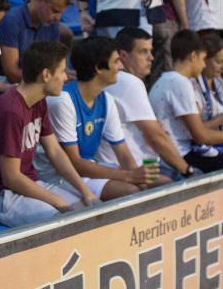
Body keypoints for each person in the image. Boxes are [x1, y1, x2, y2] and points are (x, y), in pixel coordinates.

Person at [0, 41, 100, 227]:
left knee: (90, 211)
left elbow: (55, 151)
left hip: (28, 185)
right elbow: (11, 178)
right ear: (46, 75)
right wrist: (59, 202)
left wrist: (85, 191)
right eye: (62, 71)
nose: (66, 78)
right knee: (64, 221)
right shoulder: (10, 111)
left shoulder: (39, 101)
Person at [37, 36, 161, 201]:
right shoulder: (63, 101)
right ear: (98, 68)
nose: (121, 66)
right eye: (116, 61)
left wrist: (141, 181)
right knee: (130, 191)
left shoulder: (106, 100)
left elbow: (123, 153)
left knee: (162, 184)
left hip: (88, 167)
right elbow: (74, 162)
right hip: (60, 175)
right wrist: (129, 177)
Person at [150, 30, 223, 174]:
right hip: (182, 154)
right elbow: (201, 135)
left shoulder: (165, 80)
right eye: (203, 59)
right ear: (193, 56)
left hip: (181, 151)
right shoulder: (180, 83)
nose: (204, 65)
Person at [108, 28, 193, 179]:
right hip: (137, 167)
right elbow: (156, 137)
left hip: (136, 164)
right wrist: (187, 170)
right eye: (143, 52)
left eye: (151, 51)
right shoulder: (129, 82)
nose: (151, 58)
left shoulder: (121, 80)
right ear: (123, 56)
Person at [0, 0, 73, 84]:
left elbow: (55, 64)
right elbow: (12, 73)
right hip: (11, 85)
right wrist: (50, 82)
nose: (58, 18)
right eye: (55, 11)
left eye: (61, 13)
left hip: (40, 82)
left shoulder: (51, 23)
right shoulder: (12, 21)